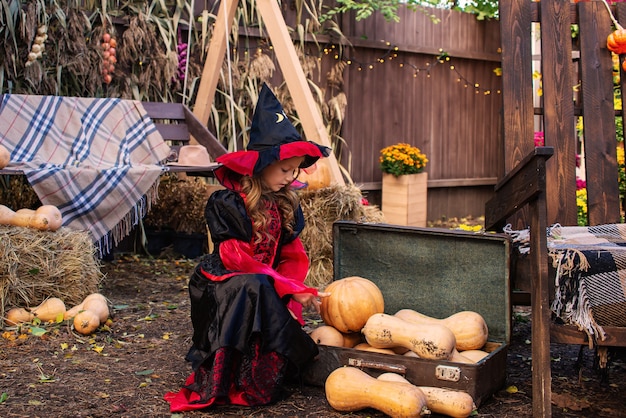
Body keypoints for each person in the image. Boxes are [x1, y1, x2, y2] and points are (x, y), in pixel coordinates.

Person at [164, 84, 332, 412]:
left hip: (262, 285)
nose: (291, 177)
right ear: (261, 165)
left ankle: (255, 380)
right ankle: (223, 380)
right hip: (226, 282)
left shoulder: (285, 205)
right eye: (285, 169)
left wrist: (293, 289)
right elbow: (233, 256)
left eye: (296, 169)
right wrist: (281, 287)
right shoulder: (230, 202)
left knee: (260, 289)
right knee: (252, 286)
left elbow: (290, 256)